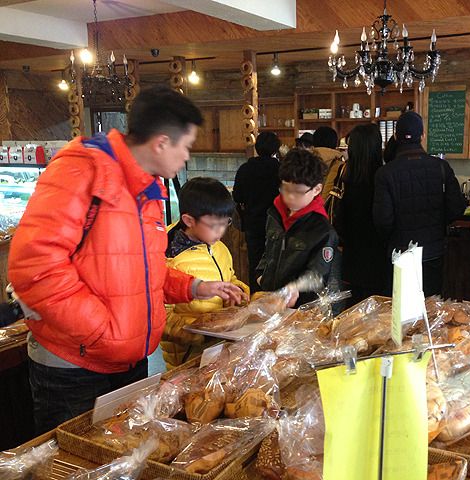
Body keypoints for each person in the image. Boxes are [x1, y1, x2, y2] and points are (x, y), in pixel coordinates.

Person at [7, 86, 244, 434]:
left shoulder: (147, 188)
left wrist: (194, 287)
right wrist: (105, 331)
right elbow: (35, 268)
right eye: (186, 146)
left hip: (127, 363)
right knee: (80, 460)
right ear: (161, 142)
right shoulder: (81, 170)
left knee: (124, 457)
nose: (186, 157)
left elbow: (141, 268)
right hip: (75, 368)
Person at [373, 111, 466, 296]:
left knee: (401, 307)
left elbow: (382, 220)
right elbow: (456, 208)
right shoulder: (441, 167)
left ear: (396, 136)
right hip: (433, 251)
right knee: (431, 306)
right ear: (422, 135)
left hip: (400, 253)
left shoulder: (385, 173)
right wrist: (439, 224)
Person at [162, 177, 250, 370]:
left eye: (226, 223)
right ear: (189, 220)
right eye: (214, 225)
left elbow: (230, 277)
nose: (221, 231)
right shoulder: (169, 257)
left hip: (218, 349)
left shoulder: (219, 248)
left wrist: (236, 292)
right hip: (186, 358)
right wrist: (198, 332)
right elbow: (160, 316)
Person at [256, 148, 338, 307]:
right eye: (286, 189)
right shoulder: (275, 212)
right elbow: (269, 250)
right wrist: (260, 276)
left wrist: (295, 287)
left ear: (317, 189)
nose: (290, 197)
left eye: (298, 192)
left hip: (300, 307)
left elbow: (318, 275)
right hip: (270, 299)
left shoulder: (322, 230)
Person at [338, 124, 388, 305]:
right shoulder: (384, 179)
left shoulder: (346, 179)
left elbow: (340, 222)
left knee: (354, 314)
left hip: (352, 260)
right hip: (380, 260)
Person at [233, 131, 281, 292]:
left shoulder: (245, 169)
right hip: (277, 224)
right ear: (276, 149)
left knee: (255, 263)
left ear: (257, 147)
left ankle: (255, 297)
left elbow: (237, 196)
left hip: (253, 223)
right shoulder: (281, 169)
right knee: (276, 262)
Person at [313, 126, 344, 200]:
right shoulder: (341, 165)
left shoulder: (303, 160)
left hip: (305, 205)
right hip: (329, 205)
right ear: (335, 143)